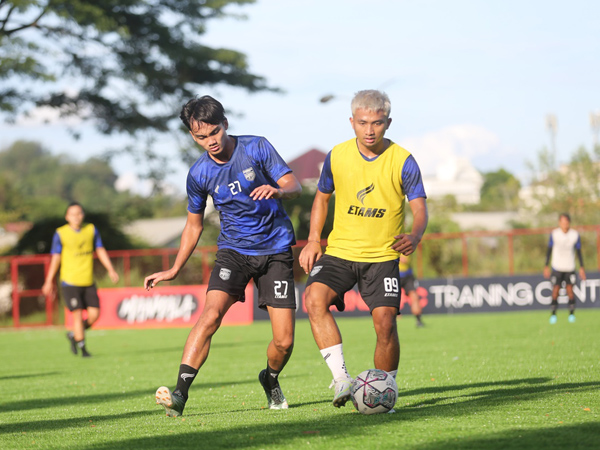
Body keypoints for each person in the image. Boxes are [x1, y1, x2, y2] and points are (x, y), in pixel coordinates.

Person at [145, 95, 302, 417]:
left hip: (275, 251)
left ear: (225, 124)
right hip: (233, 252)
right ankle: (179, 395)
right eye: (201, 137)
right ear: (192, 135)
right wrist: (175, 267)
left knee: (284, 341)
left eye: (214, 132)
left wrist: (279, 190)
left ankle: (270, 378)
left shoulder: (256, 148)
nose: (210, 141)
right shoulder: (199, 174)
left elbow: (293, 183)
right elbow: (193, 225)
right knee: (210, 315)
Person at [298, 90, 428, 408]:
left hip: (382, 257)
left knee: (385, 323)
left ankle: (384, 390)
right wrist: (314, 238)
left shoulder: (403, 161)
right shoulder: (337, 156)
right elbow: (322, 198)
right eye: (363, 122)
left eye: (378, 123)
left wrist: (415, 234)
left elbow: (420, 207)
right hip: (341, 251)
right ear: (352, 122)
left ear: (388, 122)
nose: (370, 130)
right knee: (314, 300)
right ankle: (342, 380)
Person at [41, 202, 120, 357]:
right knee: (76, 314)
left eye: (79, 213)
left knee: (94, 315)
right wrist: (49, 280)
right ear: (67, 217)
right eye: (72, 214)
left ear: (83, 215)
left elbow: (100, 249)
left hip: (88, 280)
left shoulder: (90, 230)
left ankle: (74, 335)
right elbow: (55, 258)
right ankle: (83, 348)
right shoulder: (61, 233)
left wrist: (110, 269)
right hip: (70, 281)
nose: (76, 217)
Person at [543, 213, 586, 324]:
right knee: (555, 291)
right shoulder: (555, 234)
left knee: (570, 291)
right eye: (562, 222)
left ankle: (571, 315)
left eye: (566, 222)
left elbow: (579, 252)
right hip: (557, 267)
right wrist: (546, 265)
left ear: (569, 223)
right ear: (559, 223)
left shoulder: (575, 235)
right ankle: (553, 316)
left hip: (570, 267)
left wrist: (581, 267)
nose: (565, 224)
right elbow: (549, 250)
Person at [399, 253, 424, 327]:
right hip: (395, 274)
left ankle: (418, 320)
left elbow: (404, 260)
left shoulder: (407, 242)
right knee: (391, 297)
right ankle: (391, 319)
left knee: (414, 296)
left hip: (407, 275)